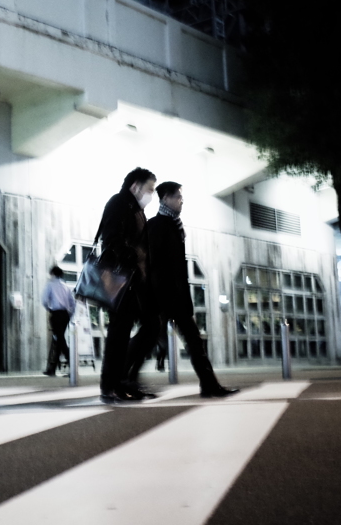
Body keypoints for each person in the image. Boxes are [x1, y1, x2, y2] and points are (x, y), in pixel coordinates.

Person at [135, 182, 239, 398]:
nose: (181, 201)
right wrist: (158, 296)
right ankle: (126, 378)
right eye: (178, 197)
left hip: (175, 297)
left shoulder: (174, 226)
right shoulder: (157, 225)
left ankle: (209, 385)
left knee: (193, 342)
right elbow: (154, 265)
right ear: (165, 199)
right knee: (149, 339)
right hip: (162, 297)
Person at [97, 167, 160, 403]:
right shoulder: (119, 203)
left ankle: (124, 380)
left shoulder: (136, 208)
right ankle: (111, 386)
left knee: (150, 326)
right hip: (119, 279)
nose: (151, 194)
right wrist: (132, 258)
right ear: (135, 186)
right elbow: (110, 239)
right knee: (119, 334)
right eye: (150, 189)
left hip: (135, 281)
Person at [41, 265, 75, 376]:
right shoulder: (66, 286)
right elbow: (72, 303)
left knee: (60, 340)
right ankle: (52, 369)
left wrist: (49, 308)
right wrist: (70, 314)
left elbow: (44, 300)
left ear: (53, 274)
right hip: (65, 314)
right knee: (58, 340)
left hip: (55, 314)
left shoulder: (50, 285)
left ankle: (73, 364)